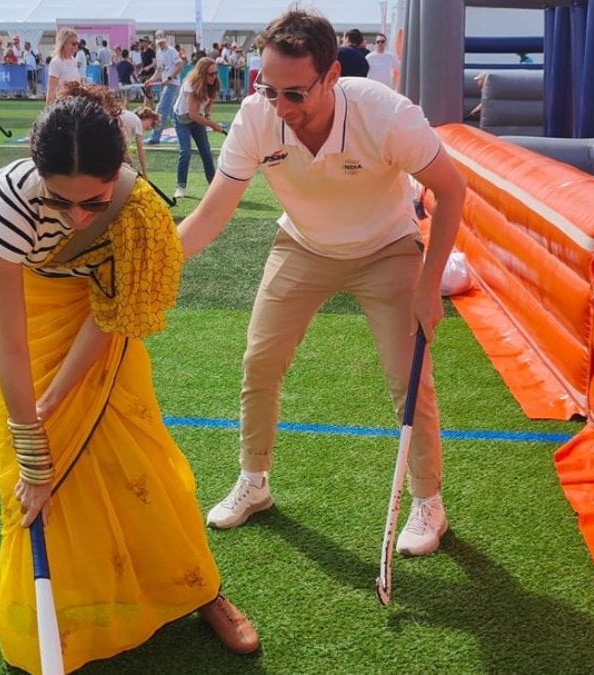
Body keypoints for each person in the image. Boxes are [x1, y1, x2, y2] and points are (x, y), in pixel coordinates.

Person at [0, 81, 259, 673]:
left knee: (139, 457)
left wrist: (54, 401)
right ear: (35, 171)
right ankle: (63, 620)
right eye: (61, 201)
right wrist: (32, 446)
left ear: (121, 174)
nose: (77, 216)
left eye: (94, 203)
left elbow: (111, 319)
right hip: (25, 314)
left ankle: (200, 589)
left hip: (97, 320)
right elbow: (13, 343)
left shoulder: (141, 213)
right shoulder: (9, 200)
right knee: (32, 487)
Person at [178, 8, 465, 556]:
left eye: (295, 93)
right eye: (269, 90)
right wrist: (159, 262)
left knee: (408, 377)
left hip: (387, 249)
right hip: (303, 245)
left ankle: (428, 501)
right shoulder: (256, 118)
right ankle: (254, 480)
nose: (281, 108)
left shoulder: (386, 114)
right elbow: (213, 213)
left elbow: (451, 191)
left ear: (332, 76)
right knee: (259, 361)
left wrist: (429, 285)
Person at [173, 57, 224, 199]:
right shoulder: (190, 84)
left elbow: (209, 101)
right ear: (202, 74)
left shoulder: (213, 83)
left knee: (206, 152)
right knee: (185, 152)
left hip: (197, 119)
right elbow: (193, 115)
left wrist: (208, 115)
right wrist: (212, 124)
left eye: (216, 73)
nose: (214, 77)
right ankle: (180, 186)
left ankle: (214, 187)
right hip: (182, 119)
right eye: (210, 74)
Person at [143, 32, 181, 144]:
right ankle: (184, 136)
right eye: (159, 42)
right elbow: (159, 71)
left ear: (166, 40)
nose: (161, 44)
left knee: (161, 110)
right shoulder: (158, 53)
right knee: (174, 113)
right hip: (167, 84)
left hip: (172, 84)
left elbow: (179, 65)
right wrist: (151, 80)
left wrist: (169, 78)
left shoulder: (172, 51)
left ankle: (155, 137)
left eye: (162, 42)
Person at [120, 105, 159, 178]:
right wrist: (144, 172)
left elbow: (121, 144)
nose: (150, 128)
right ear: (146, 117)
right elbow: (140, 150)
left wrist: (128, 158)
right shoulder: (137, 122)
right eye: (152, 123)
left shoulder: (130, 121)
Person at [46, 27, 81, 106]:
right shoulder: (56, 62)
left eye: (77, 44)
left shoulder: (73, 60)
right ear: (64, 43)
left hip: (75, 105)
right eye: (73, 44)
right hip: (62, 106)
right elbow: (51, 90)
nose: (76, 47)